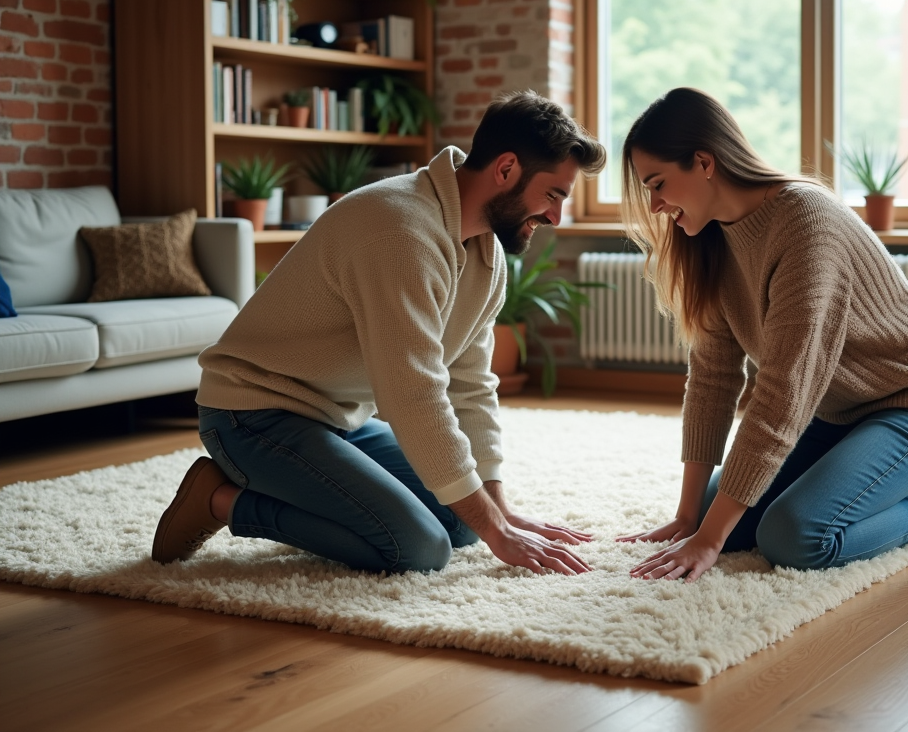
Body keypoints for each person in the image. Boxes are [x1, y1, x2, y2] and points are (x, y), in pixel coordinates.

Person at [152, 91, 606, 577]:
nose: (555, 217)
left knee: (464, 524)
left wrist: (500, 513)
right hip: (253, 413)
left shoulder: (486, 253)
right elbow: (414, 395)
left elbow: (470, 383)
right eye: (554, 195)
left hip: (337, 417)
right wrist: (500, 533)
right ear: (506, 169)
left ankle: (300, 481)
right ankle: (222, 499)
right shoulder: (400, 232)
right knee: (419, 549)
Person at [615, 87, 908, 582]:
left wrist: (708, 540)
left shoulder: (805, 222)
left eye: (658, 184)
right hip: (835, 410)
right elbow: (713, 380)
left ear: (703, 162)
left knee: (794, 536)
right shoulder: (711, 240)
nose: (654, 205)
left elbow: (783, 394)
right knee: (717, 518)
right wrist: (689, 518)